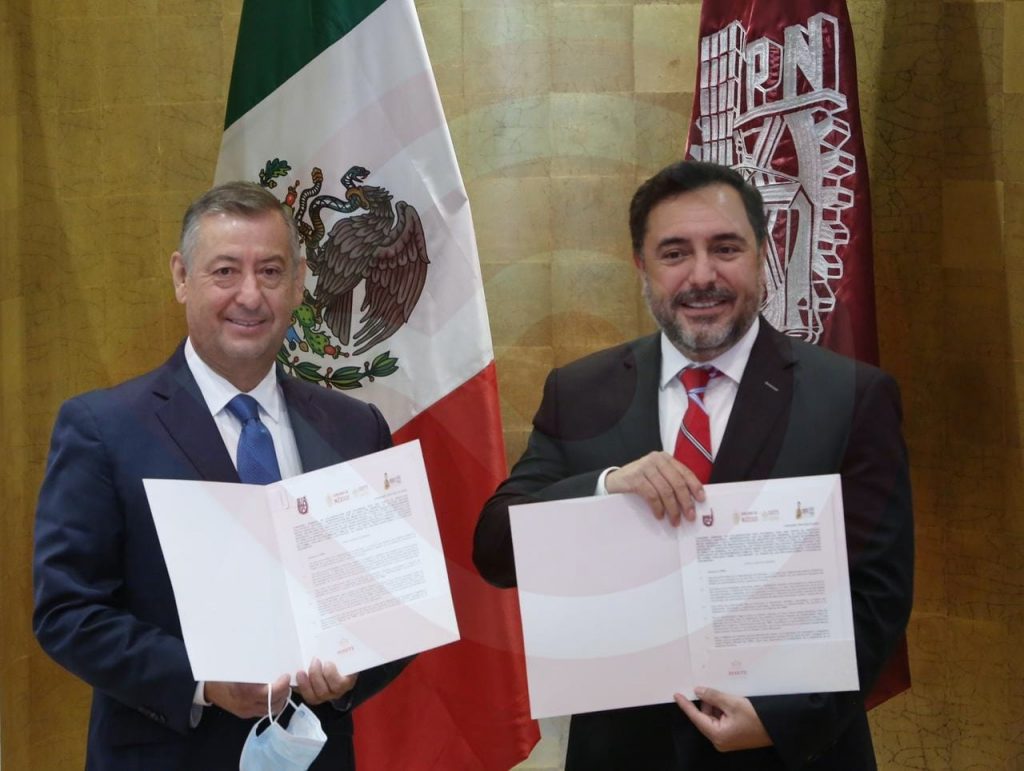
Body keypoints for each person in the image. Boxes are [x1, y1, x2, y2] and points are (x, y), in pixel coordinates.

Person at [473, 161, 913, 770]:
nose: (702, 276)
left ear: (762, 256)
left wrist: (782, 720)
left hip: (790, 755)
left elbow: (879, 594)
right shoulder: (580, 392)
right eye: (675, 253)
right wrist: (603, 489)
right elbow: (495, 549)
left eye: (725, 248)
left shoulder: (851, 397)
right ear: (642, 266)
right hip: (624, 754)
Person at [33, 182, 408, 770]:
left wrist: (354, 671)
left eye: (271, 271)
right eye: (226, 271)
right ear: (182, 277)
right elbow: (67, 612)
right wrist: (201, 679)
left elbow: (392, 602)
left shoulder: (355, 427)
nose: (250, 296)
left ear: (299, 282)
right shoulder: (103, 429)